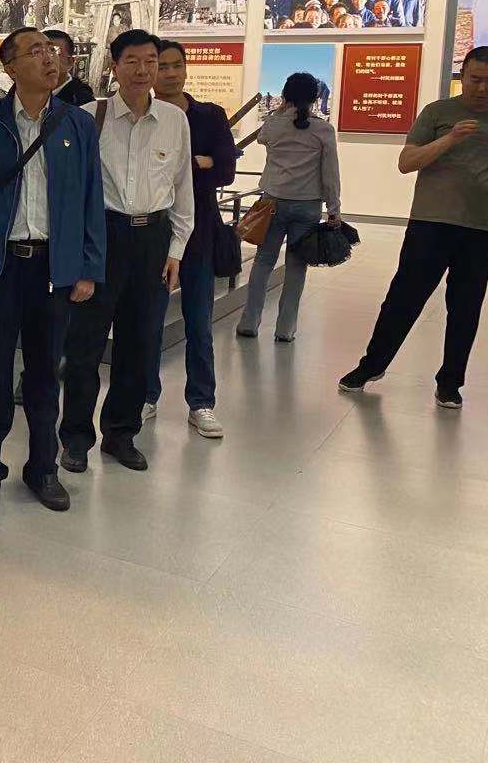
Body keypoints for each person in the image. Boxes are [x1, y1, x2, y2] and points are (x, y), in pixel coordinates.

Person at [0, 28, 105, 512]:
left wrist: (88, 267)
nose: (50, 58)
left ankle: (43, 467)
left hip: (53, 267)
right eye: (37, 51)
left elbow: (92, 198)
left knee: (45, 372)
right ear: (10, 68)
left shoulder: (77, 124)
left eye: (53, 51)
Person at [340, 47, 488, 408]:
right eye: (475, 79)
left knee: (466, 307)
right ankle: (371, 365)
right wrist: (449, 138)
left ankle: (450, 382)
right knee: (403, 299)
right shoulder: (438, 113)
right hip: (430, 223)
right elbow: (406, 162)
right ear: (462, 76)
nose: (483, 88)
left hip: (481, 229)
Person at [60, 29, 194, 474]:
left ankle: (121, 433)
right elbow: (71, 192)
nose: (143, 70)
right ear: (114, 67)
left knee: (140, 343)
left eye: (151, 61)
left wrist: (176, 249)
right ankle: (75, 438)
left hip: (153, 239)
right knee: (85, 345)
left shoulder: (174, 120)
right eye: (132, 61)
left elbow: (183, 189)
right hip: (103, 237)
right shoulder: (88, 117)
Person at [143, 40, 236, 437]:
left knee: (199, 321)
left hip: (199, 233)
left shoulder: (209, 116)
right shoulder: (143, 114)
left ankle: (201, 402)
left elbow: (226, 170)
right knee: (148, 322)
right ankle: (146, 394)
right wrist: (199, 161)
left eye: (176, 65)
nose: (169, 73)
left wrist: (186, 166)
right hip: (152, 232)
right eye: (161, 66)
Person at [236, 72, 340, 342]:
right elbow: (330, 173)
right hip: (307, 206)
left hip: (272, 202)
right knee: (296, 266)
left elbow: (261, 139)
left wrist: (282, 110)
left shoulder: (273, 124)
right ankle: (285, 328)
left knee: (263, 261)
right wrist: (334, 208)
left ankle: (249, 321)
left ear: (285, 95)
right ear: (315, 97)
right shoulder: (323, 130)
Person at [46, 28, 96, 107]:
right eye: (37, 53)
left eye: (54, 52)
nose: (46, 60)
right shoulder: (28, 93)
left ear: (70, 62)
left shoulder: (83, 102)